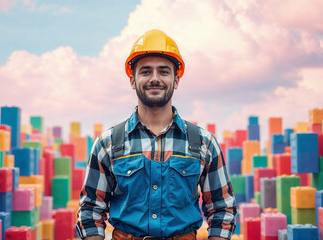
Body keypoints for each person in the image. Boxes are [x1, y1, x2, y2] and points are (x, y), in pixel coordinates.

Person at [76, 29, 237, 240]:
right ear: (132, 80)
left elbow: (222, 210)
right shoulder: (107, 143)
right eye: (145, 71)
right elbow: (90, 211)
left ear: (176, 80)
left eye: (163, 71)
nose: (154, 78)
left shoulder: (204, 143)